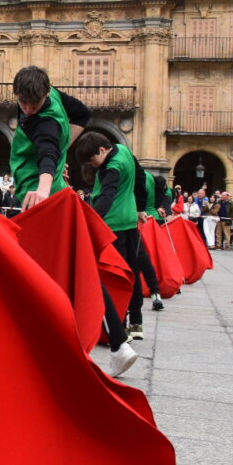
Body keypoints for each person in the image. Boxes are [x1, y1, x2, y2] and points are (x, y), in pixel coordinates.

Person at [74, 132, 149, 341]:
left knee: (115, 276)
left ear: (102, 150)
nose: (93, 165)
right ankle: (136, 322)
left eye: (92, 160)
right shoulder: (124, 150)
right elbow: (140, 177)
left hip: (112, 226)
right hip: (130, 221)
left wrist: (90, 221)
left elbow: (106, 197)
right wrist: (141, 208)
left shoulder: (111, 168)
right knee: (132, 272)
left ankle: (118, 324)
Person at [10, 66, 91, 210]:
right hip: (53, 188)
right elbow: (82, 113)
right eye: (23, 102)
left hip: (36, 192)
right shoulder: (51, 92)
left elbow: (48, 153)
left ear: (47, 93)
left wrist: (43, 190)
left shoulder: (46, 124)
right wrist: (61, 149)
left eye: (35, 103)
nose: (28, 109)